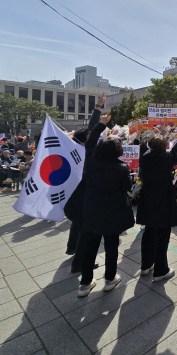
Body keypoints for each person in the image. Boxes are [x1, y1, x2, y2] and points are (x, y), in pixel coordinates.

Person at [78, 112, 134, 297]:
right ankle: (110, 279)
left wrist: (101, 124)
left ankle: (85, 282)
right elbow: (127, 187)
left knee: (90, 246)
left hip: (92, 210)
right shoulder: (121, 168)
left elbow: (91, 141)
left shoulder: (91, 162)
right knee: (112, 246)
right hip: (113, 212)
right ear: (118, 151)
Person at [138, 128, 177, 281]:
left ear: (149, 147)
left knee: (149, 232)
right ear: (165, 147)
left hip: (148, 200)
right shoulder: (168, 158)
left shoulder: (144, 159)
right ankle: (160, 270)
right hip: (164, 201)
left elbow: (144, 147)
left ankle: (146, 265)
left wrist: (161, 135)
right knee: (163, 236)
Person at [66, 93, 105, 272]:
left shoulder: (76, 150)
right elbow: (93, 129)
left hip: (78, 193)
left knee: (78, 223)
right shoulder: (84, 153)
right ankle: (80, 262)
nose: (94, 138)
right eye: (90, 137)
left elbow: (92, 128)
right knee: (86, 229)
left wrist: (98, 108)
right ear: (84, 141)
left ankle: (73, 248)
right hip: (85, 193)